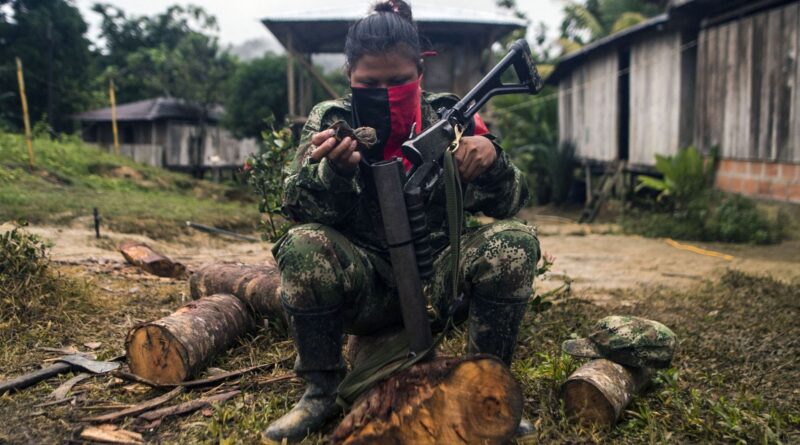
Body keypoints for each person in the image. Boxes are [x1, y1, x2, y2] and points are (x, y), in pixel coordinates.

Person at [264, 1, 540, 442]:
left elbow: (512, 201)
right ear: (349, 76)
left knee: (515, 243)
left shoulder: (452, 116)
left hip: (439, 284)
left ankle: (487, 389)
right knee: (302, 245)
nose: (385, 91)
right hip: (366, 285)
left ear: (421, 73)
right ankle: (320, 392)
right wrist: (333, 172)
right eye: (369, 83)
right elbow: (296, 207)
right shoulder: (333, 120)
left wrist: (492, 158)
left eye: (398, 81)